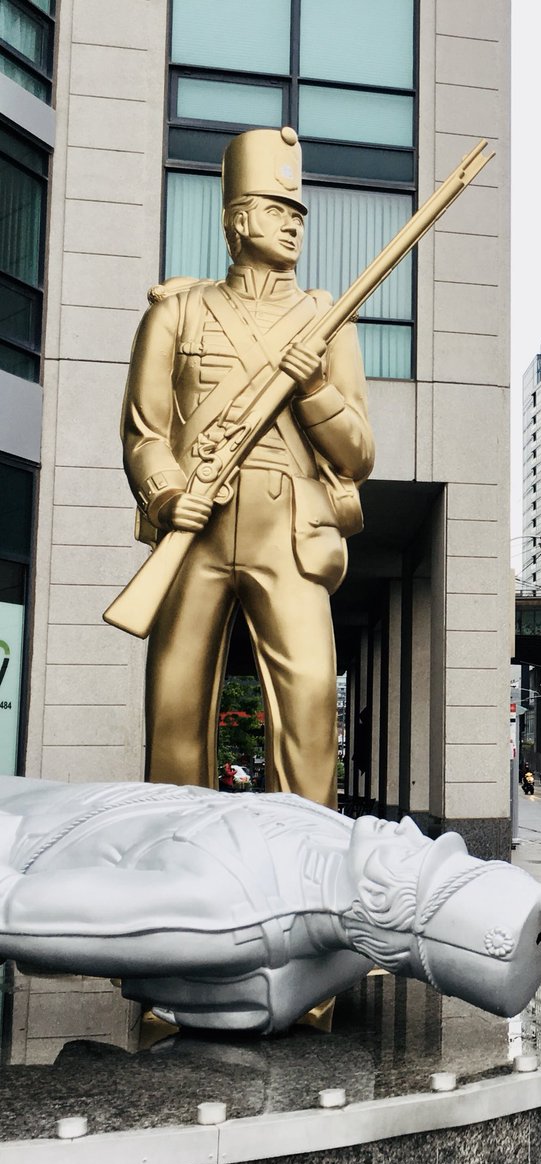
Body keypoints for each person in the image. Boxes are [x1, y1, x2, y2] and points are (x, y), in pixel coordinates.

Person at [121, 126, 374, 808]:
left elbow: (358, 454)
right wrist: (171, 496)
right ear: (237, 218)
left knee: (312, 702)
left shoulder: (328, 320)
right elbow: (145, 433)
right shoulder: (178, 310)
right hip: (196, 526)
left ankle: (303, 856)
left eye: (297, 215)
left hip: (289, 533)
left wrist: (314, 387)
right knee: (175, 706)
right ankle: (175, 853)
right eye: (276, 210)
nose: (293, 225)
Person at [0, 775, 541, 1034]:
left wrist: (274, 993)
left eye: (416, 859)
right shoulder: (337, 845)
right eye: (429, 844)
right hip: (54, 797)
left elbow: (15, 910)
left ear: (389, 918)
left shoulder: (224, 908)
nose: (406, 827)